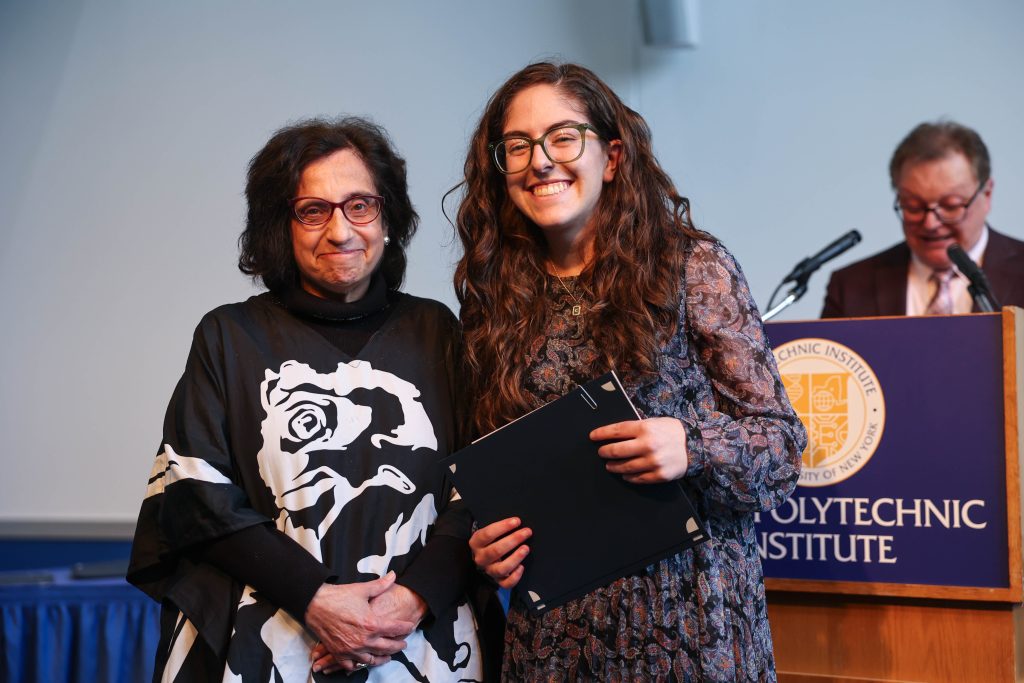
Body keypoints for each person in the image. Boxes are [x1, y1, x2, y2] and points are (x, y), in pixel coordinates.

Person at [452, 62, 807, 681]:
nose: (540, 160)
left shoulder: (692, 266)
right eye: (517, 145)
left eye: (563, 137)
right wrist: (486, 544)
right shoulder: (495, 296)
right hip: (556, 634)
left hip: (690, 621)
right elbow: (500, 465)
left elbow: (781, 446)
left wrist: (691, 446)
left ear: (612, 157)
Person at [127, 117, 500, 682]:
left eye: (360, 206)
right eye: (313, 211)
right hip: (267, 641)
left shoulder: (439, 331)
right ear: (282, 226)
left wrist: (411, 602)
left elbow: (477, 487)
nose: (341, 230)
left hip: (424, 642)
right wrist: (317, 599)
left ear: (388, 217)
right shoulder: (229, 337)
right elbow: (194, 494)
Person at [821, 121, 1024, 318]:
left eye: (950, 205)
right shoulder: (850, 286)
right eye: (913, 206)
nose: (930, 224)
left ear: (987, 194)